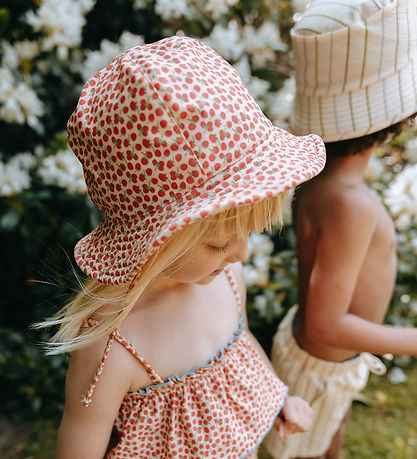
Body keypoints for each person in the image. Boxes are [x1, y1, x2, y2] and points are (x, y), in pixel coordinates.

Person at [39, 36, 326, 458]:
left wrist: (277, 395)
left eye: (248, 232)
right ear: (153, 239)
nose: (241, 255)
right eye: (216, 244)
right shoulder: (111, 350)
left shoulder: (227, 277)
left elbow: (240, 344)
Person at [265, 0, 417, 458]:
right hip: (322, 366)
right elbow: (326, 322)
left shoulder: (321, 178)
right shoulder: (352, 203)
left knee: (328, 442)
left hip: (322, 361)